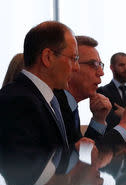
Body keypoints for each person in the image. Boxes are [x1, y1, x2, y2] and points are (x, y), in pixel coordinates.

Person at [0, 21, 80, 149]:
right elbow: (25, 164)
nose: (77, 68)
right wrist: (75, 153)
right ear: (48, 57)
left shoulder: (47, 98)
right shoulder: (18, 101)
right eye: (74, 58)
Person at [54, 36, 126, 145]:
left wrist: (98, 119)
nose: (101, 73)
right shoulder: (54, 107)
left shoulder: (71, 106)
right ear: (72, 65)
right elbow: (87, 156)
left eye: (100, 65)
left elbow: (85, 154)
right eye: (94, 64)